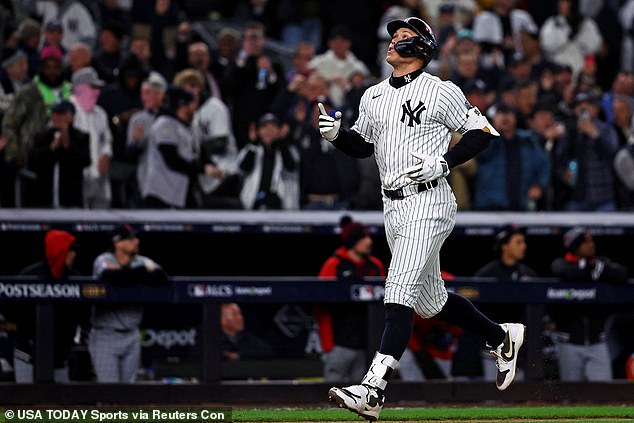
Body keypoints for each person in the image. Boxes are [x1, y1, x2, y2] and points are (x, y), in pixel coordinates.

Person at [317, 17, 525, 421]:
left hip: (429, 202)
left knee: (398, 290)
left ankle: (373, 389)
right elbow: (363, 146)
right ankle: (501, 336)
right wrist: (337, 136)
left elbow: (482, 132)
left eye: (403, 37)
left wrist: (443, 162)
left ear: (421, 48)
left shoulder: (441, 90)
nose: (393, 41)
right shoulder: (373, 95)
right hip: (392, 206)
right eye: (393, 37)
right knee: (431, 303)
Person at [90, 224, 168, 383]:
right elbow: (111, 277)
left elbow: (161, 277)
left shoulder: (141, 260)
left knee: (129, 393)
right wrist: (141, 273)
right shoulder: (104, 259)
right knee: (109, 392)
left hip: (132, 334)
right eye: (131, 238)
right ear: (118, 243)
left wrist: (129, 275)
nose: (136, 241)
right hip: (106, 334)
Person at [550, 227, 628, 382]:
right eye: (585, 242)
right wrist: (593, 271)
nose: (591, 245)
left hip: (597, 342)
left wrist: (596, 269)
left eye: (591, 241)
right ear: (574, 246)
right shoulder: (562, 263)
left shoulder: (601, 263)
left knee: (604, 395)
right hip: (569, 342)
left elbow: (622, 274)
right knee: (570, 397)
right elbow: (564, 271)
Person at [9, 230, 86, 383]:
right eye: (70, 251)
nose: (74, 255)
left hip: (60, 356)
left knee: (59, 404)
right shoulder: (29, 276)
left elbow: (81, 313)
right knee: (25, 402)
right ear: (59, 251)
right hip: (26, 353)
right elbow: (13, 311)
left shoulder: (75, 278)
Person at [317, 216, 386, 382]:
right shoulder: (333, 264)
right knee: (333, 396)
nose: (369, 241)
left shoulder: (375, 265)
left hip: (368, 347)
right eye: (363, 238)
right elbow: (321, 308)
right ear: (353, 241)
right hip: (339, 345)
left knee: (361, 398)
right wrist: (327, 345)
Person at [27, 100, 91, 207]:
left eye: (60, 114)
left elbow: (85, 161)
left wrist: (66, 142)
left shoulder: (81, 137)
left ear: (71, 116)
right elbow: (33, 162)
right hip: (44, 199)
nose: (55, 117)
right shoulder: (42, 136)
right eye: (53, 113)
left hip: (71, 199)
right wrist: (51, 148)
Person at [69, 67, 113, 209]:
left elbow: (107, 139)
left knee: (103, 221)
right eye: (92, 87)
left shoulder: (100, 113)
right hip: (77, 177)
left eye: (98, 88)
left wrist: (106, 154)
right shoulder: (67, 111)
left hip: (99, 176)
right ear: (80, 88)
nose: (97, 92)